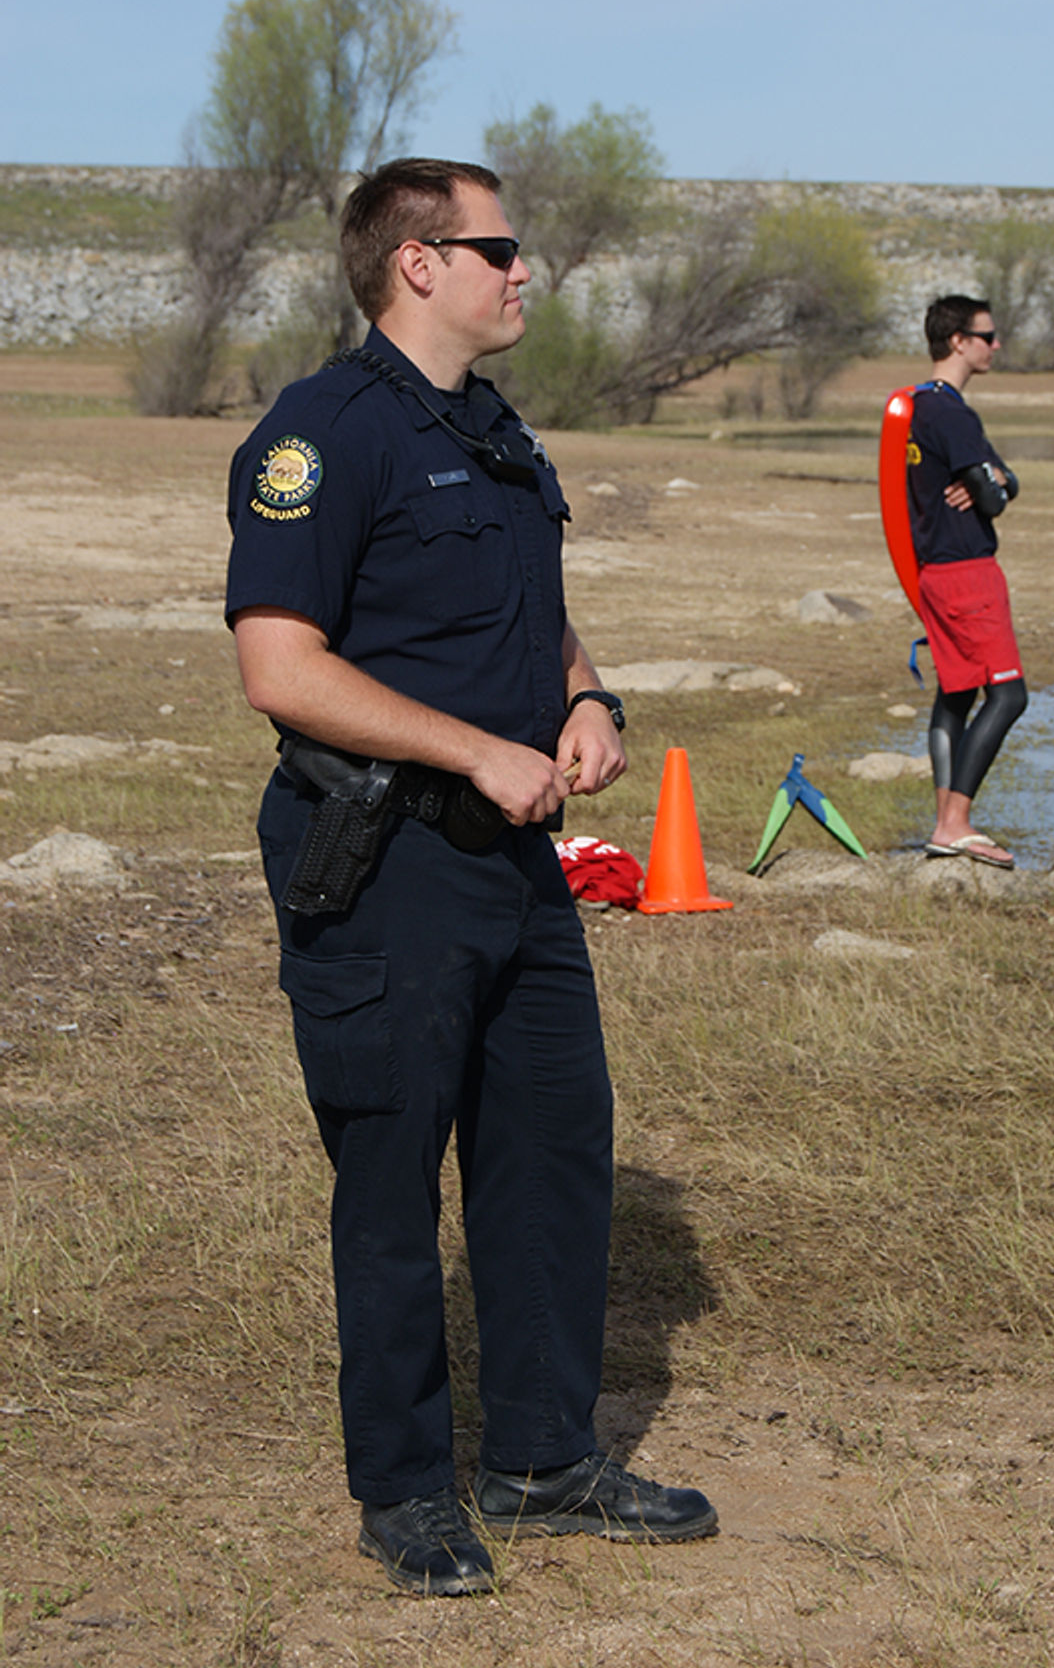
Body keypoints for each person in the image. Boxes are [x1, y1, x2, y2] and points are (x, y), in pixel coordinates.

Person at [225, 158, 717, 1598]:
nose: (525, 273)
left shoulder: (498, 431)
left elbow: (532, 619)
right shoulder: (321, 432)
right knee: (389, 1178)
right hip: (383, 858)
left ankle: (545, 1459)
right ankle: (404, 1490)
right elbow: (280, 666)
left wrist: (589, 702)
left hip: (512, 858)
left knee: (551, 1149)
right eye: (501, 249)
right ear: (417, 263)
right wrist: (471, 752)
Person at [908, 294, 1028, 868]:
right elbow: (996, 498)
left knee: (955, 695)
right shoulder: (952, 414)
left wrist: (994, 479)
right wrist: (991, 484)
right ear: (958, 341)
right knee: (1008, 695)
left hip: (938, 569)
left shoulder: (920, 406)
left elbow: (1005, 480)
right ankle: (956, 822)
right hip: (966, 572)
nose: (995, 344)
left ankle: (943, 822)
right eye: (987, 335)